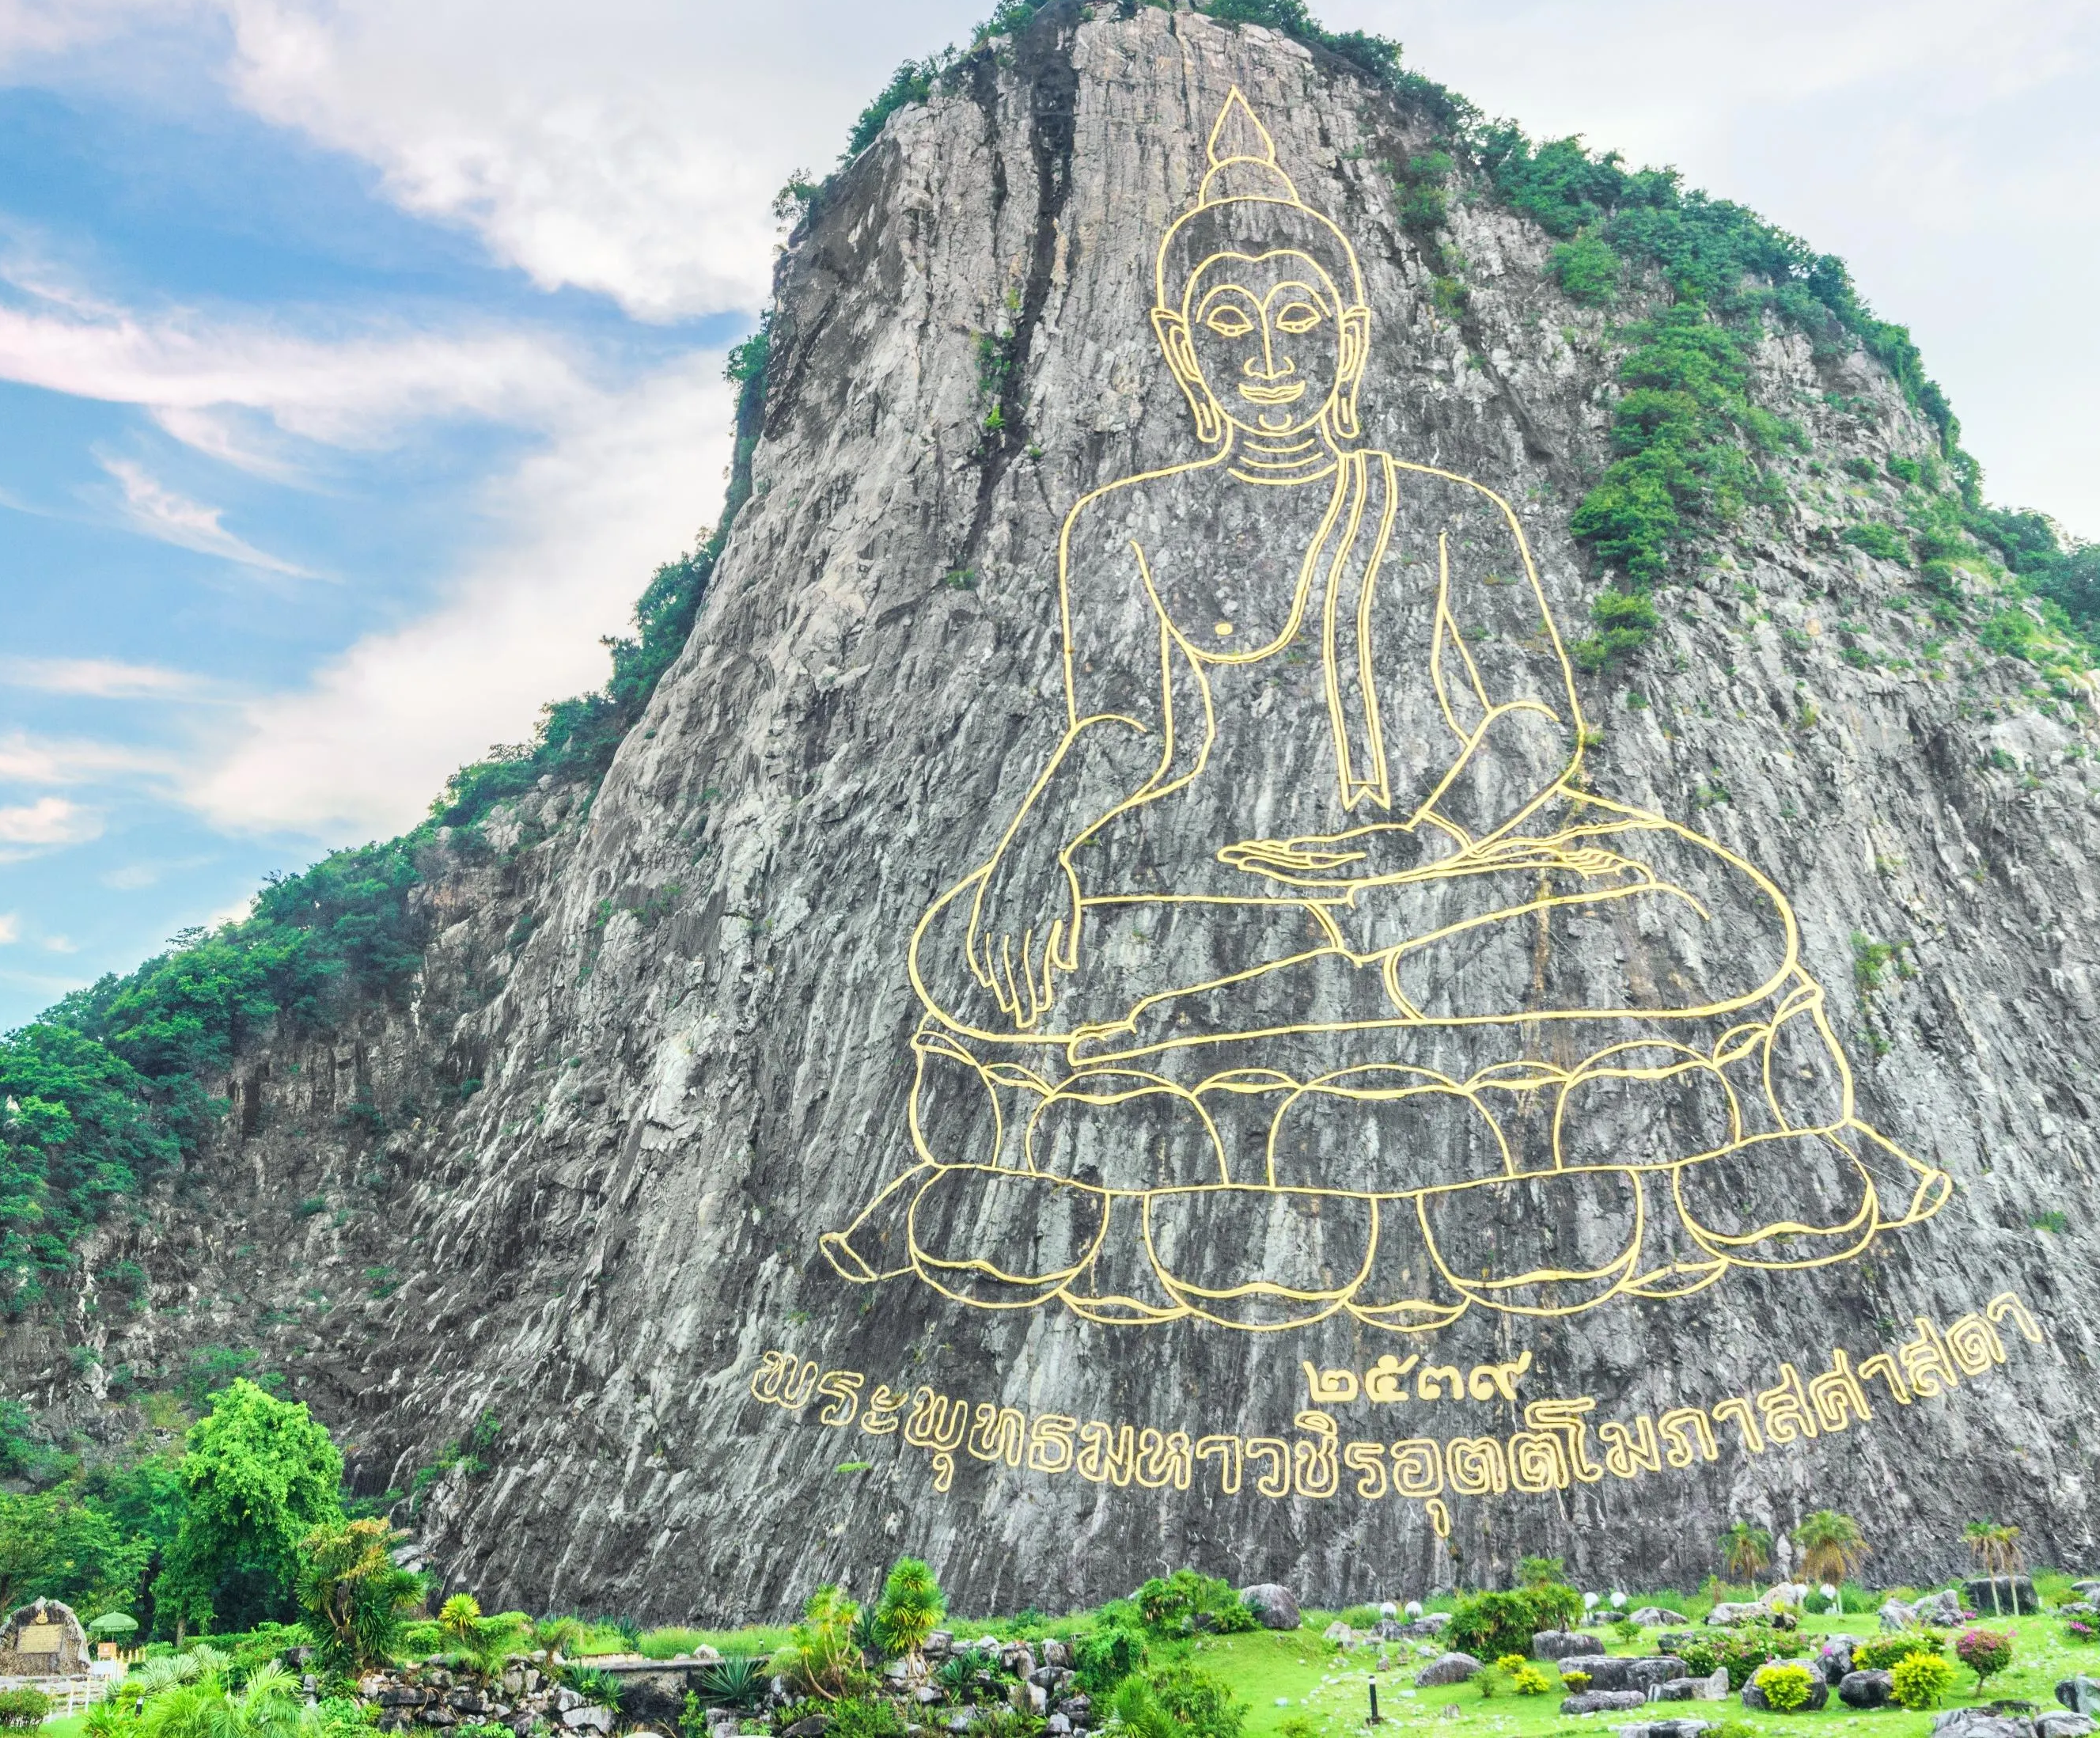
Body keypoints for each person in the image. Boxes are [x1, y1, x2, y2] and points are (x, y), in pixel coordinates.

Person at [824, 90, 1945, 1330]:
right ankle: (1301, 1078)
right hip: (1227, 884)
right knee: (1024, 945)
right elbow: (1129, 730)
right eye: (1229, 323)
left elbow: (1532, 719)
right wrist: (1040, 848)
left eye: (1300, 318)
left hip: (1447, 878)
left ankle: (1323, 1075)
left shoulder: (1452, 508)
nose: (1267, 353)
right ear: (1179, 340)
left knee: (1680, 904)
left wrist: (1421, 842)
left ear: (1349, 334)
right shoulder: (1123, 523)